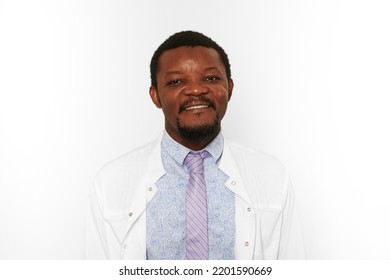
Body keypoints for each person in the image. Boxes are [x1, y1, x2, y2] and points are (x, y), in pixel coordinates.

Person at [85, 30, 305, 260]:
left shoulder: (272, 175)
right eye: (176, 81)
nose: (196, 90)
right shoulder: (110, 182)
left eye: (210, 78)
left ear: (229, 88)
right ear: (155, 96)